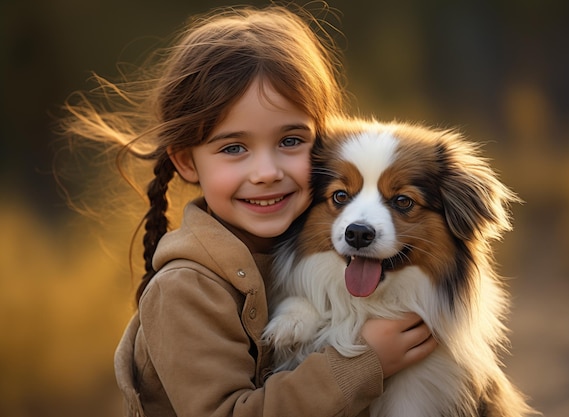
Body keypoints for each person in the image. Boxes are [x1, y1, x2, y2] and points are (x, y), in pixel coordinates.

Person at [61, 4, 437, 417]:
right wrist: (365, 364)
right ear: (187, 162)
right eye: (234, 148)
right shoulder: (185, 290)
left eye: (290, 141)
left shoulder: (310, 245)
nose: (265, 173)